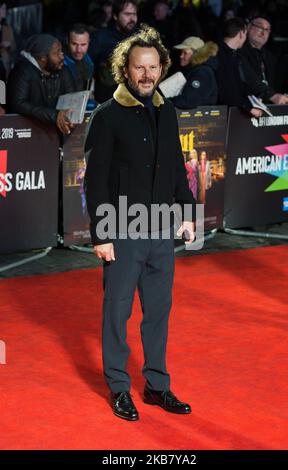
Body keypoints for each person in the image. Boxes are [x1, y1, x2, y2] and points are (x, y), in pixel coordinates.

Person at [84, 25, 196, 421]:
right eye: (139, 68)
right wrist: (101, 234)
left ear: (161, 67)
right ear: (125, 71)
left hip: (162, 229)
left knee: (158, 312)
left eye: (153, 67)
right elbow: (93, 181)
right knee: (117, 312)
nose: (147, 75)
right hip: (122, 229)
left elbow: (176, 168)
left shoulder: (167, 112)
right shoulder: (107, 116)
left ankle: (156, 386)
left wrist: (187, 212)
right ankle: (118, 388)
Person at [7, 34, 76, 135]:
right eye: (56, 53)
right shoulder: (23, 70)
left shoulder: (64, 71)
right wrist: (54, 115)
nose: (62, 56)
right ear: (42, 58)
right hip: (25, 133)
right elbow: (18, 103)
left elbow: (73, 98)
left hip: (56, 133)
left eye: (61, 51)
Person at [89, 0, 138, 102]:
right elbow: (88, 66)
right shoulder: (101, 37)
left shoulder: (139, 37)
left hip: (134, 96)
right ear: (115, 16)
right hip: (107, 98)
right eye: (127, 14)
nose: (132, 18)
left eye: (134, 14)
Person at [216, 17, 263, 117]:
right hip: (223, 116)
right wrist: (249, 107)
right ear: (241, 33)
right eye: (246, 34)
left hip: (230, 112)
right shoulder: (223, 57)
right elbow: (227, 91)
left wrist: (254, 98)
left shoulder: (235, 55)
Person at [241, 16, 288, 105]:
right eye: (259, 27)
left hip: (269, 106)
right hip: (246, 105)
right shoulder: (239, 51)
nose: (263, 32)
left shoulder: (270, 57)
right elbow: (247, 77)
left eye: (267, 30)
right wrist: (271, 95)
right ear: (248, 27)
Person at [169, 36, 218, 109]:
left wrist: (165, 102)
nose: (181, 56)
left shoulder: (202, 73)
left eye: (185, 53)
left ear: (196, 54)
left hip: (201, 119)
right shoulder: (193, 70)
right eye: (181, 52)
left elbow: (188, 101)